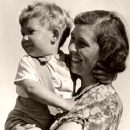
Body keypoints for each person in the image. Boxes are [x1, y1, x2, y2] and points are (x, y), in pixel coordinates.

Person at [5, 2, 114, 130]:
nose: (25, 38)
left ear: (54, 35)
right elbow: (31, 87)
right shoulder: (28, 62)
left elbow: (89, 71)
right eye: (23, 33)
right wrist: (65, 104)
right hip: (25, 121)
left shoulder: (68, 63)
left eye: (30, 31)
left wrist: (107, 74)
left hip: (51, 124)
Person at [50, 10, 129, 130]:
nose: (71, 48)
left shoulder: (105, 102)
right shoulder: (82, 93)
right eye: (72, 39)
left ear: (106, 53)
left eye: (82, 44)